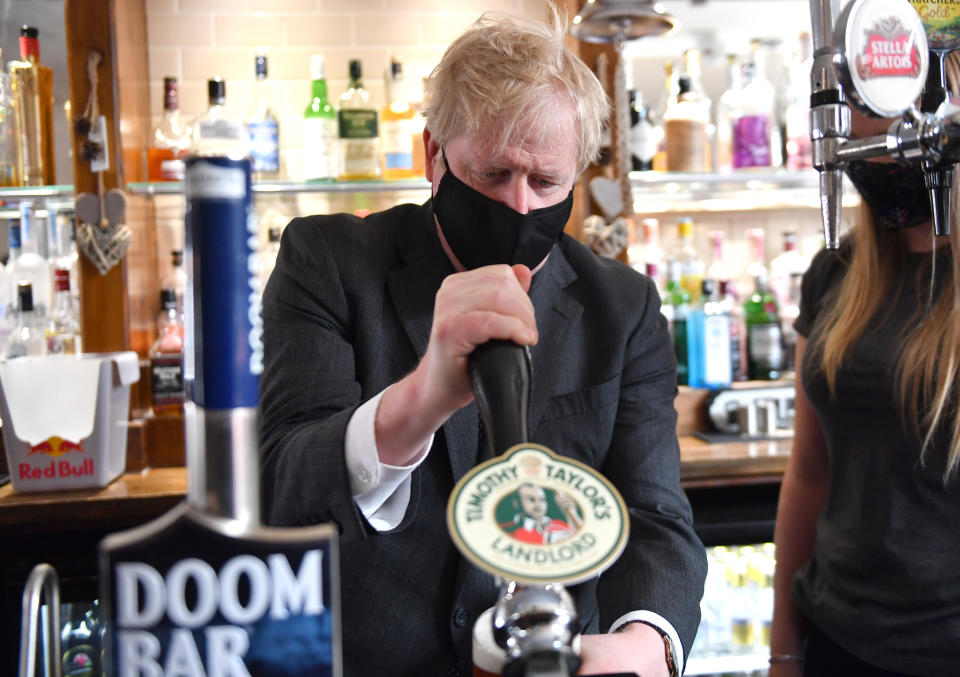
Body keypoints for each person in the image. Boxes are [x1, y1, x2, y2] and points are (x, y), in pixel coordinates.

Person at [259, 10, 706, 677]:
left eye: (546, 182)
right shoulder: (328, 260)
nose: (521, 207)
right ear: (433, 154)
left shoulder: (624, 306)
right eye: (493, 175)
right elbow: (281, 484)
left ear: (578, 174)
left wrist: (642, 642)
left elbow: (656, 517)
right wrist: (420, 398)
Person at [769, 104, 960, 676]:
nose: (857, 135)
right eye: (848, 117)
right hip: (839, 637)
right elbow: (808, 474)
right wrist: (783, 647)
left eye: (875, 112)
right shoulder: (835, 270)